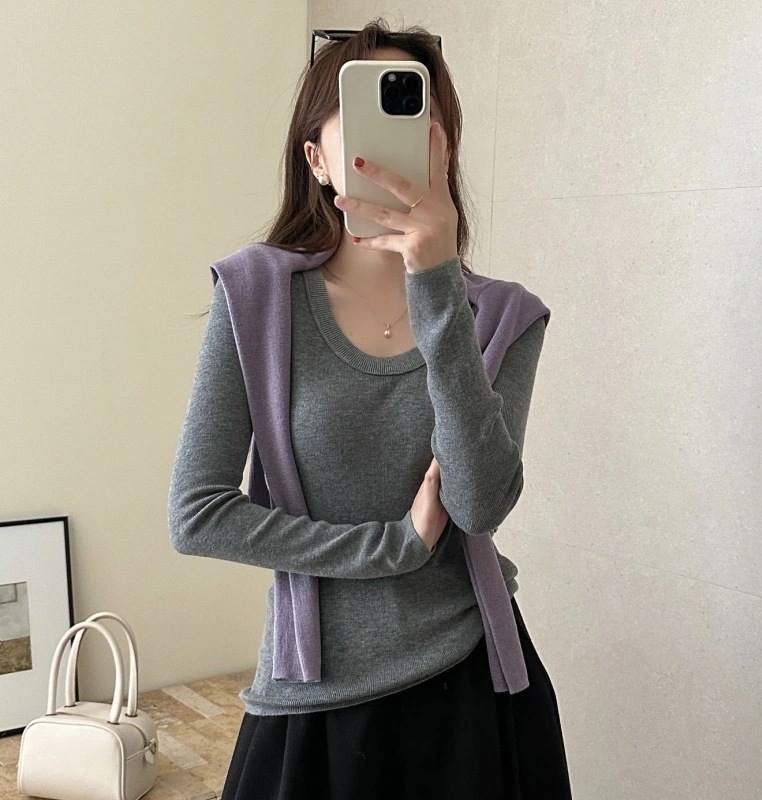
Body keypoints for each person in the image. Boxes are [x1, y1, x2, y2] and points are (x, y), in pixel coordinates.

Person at [168, 18, 572, 800]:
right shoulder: (256, 297)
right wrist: (392, 547)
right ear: (315, 159)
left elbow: (478, 504)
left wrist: (436, 285)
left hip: (475, 689)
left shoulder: (506, 316)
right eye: (365, 121)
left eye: (418, 121)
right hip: (312, 695)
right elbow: (197, 514)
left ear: (445, 149)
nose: (393, 147)